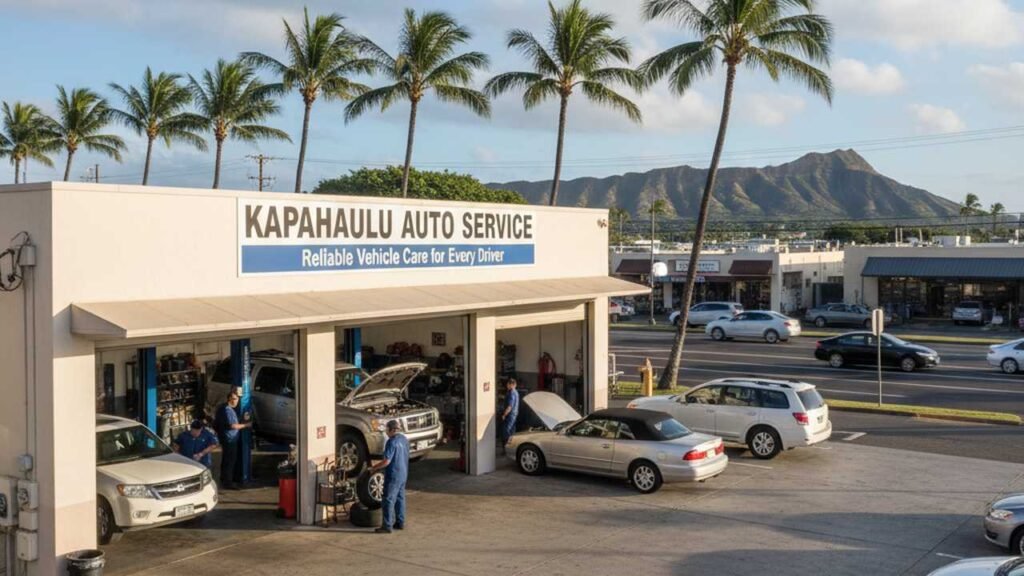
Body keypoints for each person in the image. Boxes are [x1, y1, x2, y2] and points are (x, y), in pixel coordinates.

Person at [368, 420, 409, 534]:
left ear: (391, 430)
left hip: (394, 474)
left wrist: (374, 468)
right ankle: (400, 522)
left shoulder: (391, 442)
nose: (386, 432)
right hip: (403, 473)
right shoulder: (404, 439)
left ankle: (387, 526)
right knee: (400, 498)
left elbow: (386, 461)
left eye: (387, 430)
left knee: (388, 500)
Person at [214, 391, 252, 490]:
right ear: (229, 399)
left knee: (226, 460)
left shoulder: (224, 408)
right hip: (229, 439)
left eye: (237, 399)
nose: (236, 401)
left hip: (227, 438)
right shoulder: (227, 410)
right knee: (230, 461)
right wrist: (246, 425)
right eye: (234, 399)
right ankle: (228, 483)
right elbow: (232, 426)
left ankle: (224, 479)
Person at [501, 378, 520, 445]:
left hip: (510, 415)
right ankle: (512, 446)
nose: (507, 386)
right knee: (512, 431)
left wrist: (504, 414)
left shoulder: (512, 393)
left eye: (508, 384)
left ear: (511, 384)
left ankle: (507, 448)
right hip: (514, 415)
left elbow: (510, 406)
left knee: (507, 431)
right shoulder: (516, 392)